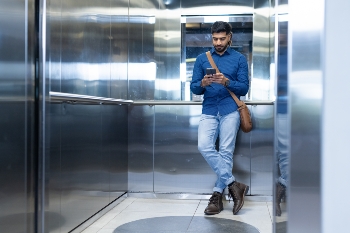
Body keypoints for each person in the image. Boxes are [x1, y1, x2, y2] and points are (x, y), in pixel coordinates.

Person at [190, 21, 250, 215]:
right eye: (215, 38)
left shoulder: (239, 59)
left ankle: (217, 196)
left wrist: (226, 81)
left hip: (230, 110)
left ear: (229, 37)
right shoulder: (202, 59)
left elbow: (244, 88)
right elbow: (194, 88)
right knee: (204, 146)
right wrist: (203, 82)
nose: (218, 42)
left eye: (222, 38)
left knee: (225, 152)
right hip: (208, 109)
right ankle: (234, 185)